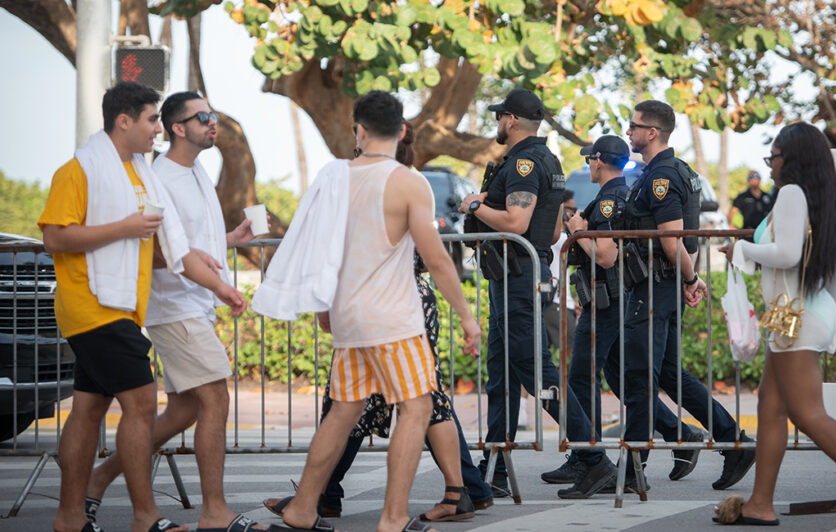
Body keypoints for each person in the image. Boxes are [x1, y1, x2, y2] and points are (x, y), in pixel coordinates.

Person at [257, 91, 481, 532]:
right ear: (400, 131)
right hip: (393, 318)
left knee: (342, 411)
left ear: (358, 130)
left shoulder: (332, 176)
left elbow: (317, 246)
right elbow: (436, 259)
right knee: (415, 409)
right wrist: (468, 317)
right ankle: (393, 517)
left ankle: (303, 507)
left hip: (348, 316)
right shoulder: (407, 182)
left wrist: (321, 304)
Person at [41, 81, 246, 532]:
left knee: (89, 410)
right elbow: (54, 236)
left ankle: (69, 518)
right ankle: (146, 517)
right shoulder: (78, 170)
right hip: (94, 305)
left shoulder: (138, 174)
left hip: (121, 308)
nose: (157, 130)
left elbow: (166, 248)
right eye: (153, 120)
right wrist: (125, 227)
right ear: (124, 120)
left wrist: (219, 285)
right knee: (141, 404)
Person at [715, 122, 836, 529]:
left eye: (772, 156)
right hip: (802, 311)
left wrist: (742, 248)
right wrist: (823, 313)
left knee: (806, 414)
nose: (769, 165)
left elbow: (787, 254)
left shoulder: (790, 193)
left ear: (791, 158)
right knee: (771, 406)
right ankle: (759, 504)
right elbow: (831, 269)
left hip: (794, 315)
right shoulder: (819, 199)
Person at [458, 88, 615, 498]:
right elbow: (555, 228)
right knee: (503, 372)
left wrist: (475, 206)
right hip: (515, 274)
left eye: (499, 118)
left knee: (533, 370)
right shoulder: (545, 159)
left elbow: (515, 220)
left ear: (510, 120)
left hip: (518, 275)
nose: (497, 124)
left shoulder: (525, 163)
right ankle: (495, 465)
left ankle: (594, 459)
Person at [542, 135, 705, 497]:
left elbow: (606, 256)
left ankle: (589, 460)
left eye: (590, 159)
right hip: (611, 299)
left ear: (599, 161)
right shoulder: (612, 195)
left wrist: (577, 231)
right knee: (619, 378)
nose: (588, 165)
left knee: (583, 377)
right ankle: (679, 434)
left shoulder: (612, 199)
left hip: (610, 301)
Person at [619, 100, 753, 492]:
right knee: (669, 376)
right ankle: (735, 443)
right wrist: (687, 278)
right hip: (663, 286)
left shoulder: (662, 176)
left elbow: (673, 238)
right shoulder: (676, 171)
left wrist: (690, 279)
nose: (629, 132)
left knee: (641, 375)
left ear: (652, 132)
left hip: (656, 288)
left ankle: (631, 470)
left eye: (634, 125)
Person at [544, 189, 578, 353]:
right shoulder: (560, 239)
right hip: (557, 306)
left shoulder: (557, 238)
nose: (574, 215)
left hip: (557, 303)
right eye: (571, 211)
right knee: (571, 358)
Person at [729, 170, 773, 240]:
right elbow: (731, 213)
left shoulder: (768, 196)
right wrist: (731, 226)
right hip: (748, 235)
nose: (754, 179)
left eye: (756, 176)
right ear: (747, 180)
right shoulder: (742, 197)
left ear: (760, 178)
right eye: (750, 177)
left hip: (764, 234)